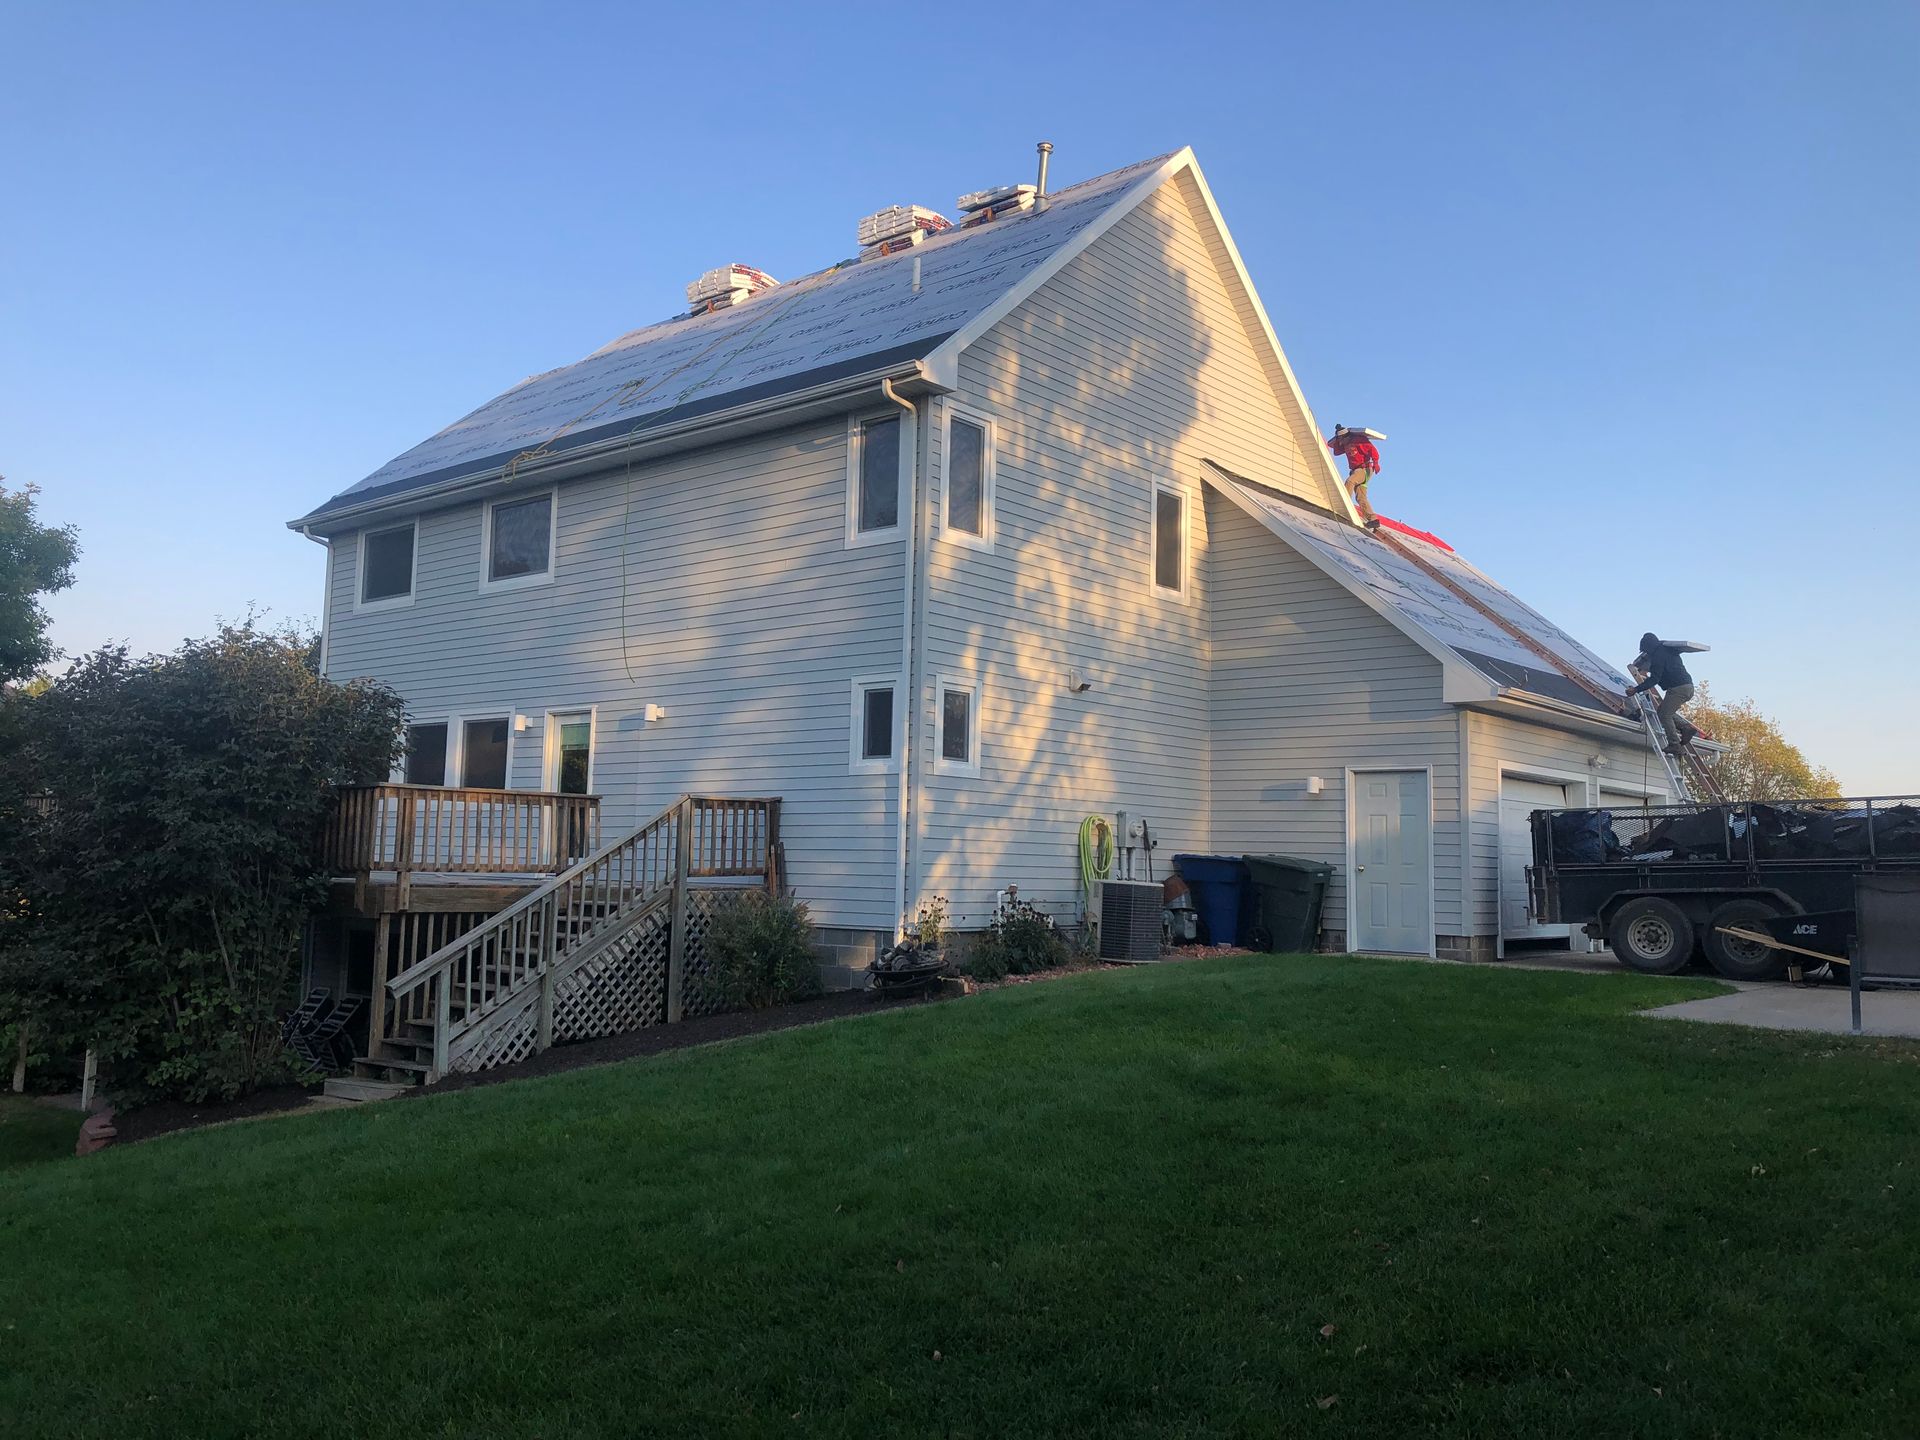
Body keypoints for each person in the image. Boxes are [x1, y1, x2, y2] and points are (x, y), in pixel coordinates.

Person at [1626, 632, 1698, 753]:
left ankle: (1675, 744)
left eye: (1646, 650)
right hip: (1687, 686)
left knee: (1665, 715)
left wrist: (1636, 689)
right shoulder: (1667, 651)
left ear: (1649, 647)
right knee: (1662, 712)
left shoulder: (1658, 656)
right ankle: (1686, 727)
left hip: (1678, 688)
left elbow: (1654, 679)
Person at [1327, 425, 1381, 531]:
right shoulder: (1345, 444)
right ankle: (1373, 519)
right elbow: (1336, 452)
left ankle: (1343, 502)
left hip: (1364, 469)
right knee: (1360, 497)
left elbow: (1372, 450)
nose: (1342, 442)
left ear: (1347, 437)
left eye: (1342, 439)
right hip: (1356, 470)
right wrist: (1337, 440)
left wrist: (1376, 462)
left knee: (1350, 481)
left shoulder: (1358, 441)